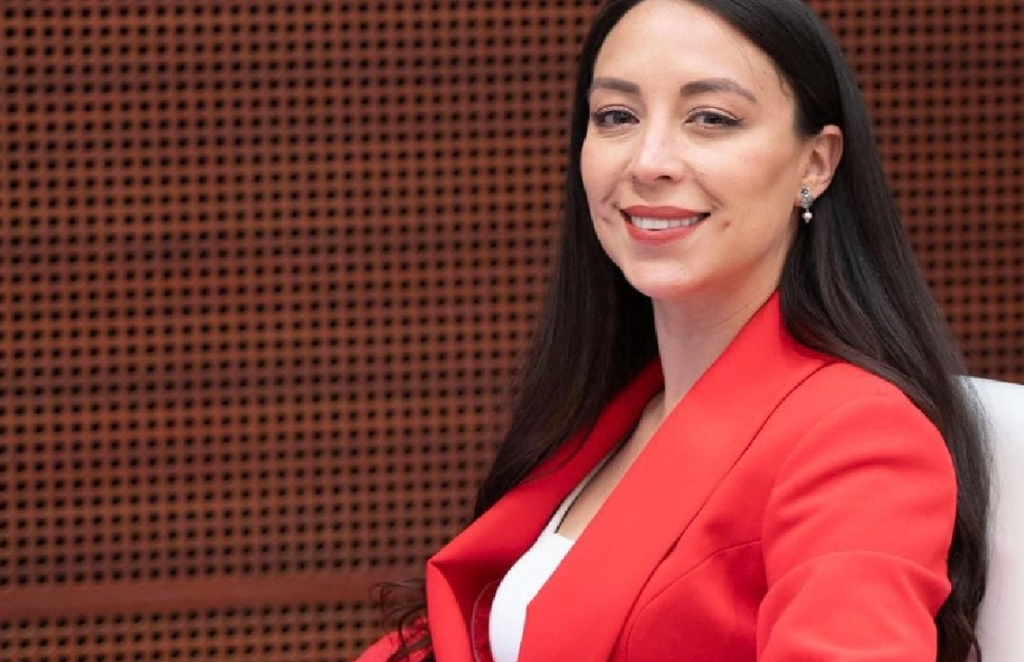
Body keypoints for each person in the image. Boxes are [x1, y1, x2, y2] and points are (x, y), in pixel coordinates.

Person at [357, 0, 990, 660]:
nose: (649, 161)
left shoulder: (858, 438)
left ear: (816, 163)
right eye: (616, 116)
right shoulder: (610, 410)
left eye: (710, 118)